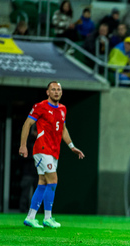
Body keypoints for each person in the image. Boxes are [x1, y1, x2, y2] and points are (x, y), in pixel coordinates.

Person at [19, 81, 85, 229]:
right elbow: (27, 124)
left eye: (59, 89)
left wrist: (72, 146)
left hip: (54, 151)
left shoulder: (63, 109)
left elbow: (63, 129)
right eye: (53, 89)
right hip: (42, 148)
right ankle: (48, 218)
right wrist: (23, 145)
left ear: (61, 92)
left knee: (42, 182)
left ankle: (30, 217)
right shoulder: (40, 106)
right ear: (47, 92)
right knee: (53, 179)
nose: (56, 92)